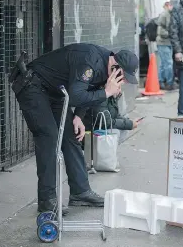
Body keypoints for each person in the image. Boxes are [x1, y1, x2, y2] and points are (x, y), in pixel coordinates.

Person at [10, 43, 138, 215]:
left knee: (71, 136)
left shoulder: (105, 67)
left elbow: (90, 89)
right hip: (33, 86)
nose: (122, 81)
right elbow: (78, 95)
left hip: (55, 92)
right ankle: (47, 201)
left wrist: (78, 116)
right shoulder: (89, 63)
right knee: (49, 137)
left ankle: (80, 192)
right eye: (123, 76)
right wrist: (107, 92)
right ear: (115, 66)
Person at [156, 0, 176, 91]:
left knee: (164, 63)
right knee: (168, 63)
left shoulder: (172, 14)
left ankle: (160, 81)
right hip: (163, 42)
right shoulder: (164, 15)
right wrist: (172, 34)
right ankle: (169, 82)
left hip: (168, 42)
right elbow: (161, 31)